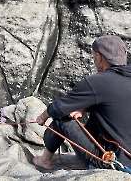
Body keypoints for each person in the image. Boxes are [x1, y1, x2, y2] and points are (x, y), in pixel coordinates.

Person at [33, 35, 131, 170]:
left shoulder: (99, 82)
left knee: (62, 120)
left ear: (98, 57)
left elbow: (59, 108)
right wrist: (84, 108)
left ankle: (44, 160)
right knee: (100, 113)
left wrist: (42, 117)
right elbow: (116, 103)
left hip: (113, 164)